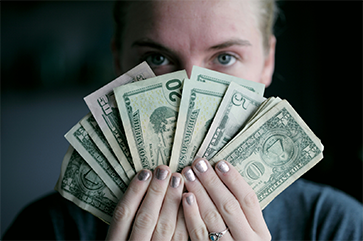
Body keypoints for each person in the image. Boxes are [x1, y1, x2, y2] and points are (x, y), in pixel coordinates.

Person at [3, 0, 363, 240]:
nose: (189, 88)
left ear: (268, 62)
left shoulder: (339, 226)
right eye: (157, 57)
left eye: (224, 58)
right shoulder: (47, 229)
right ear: (117, 60)